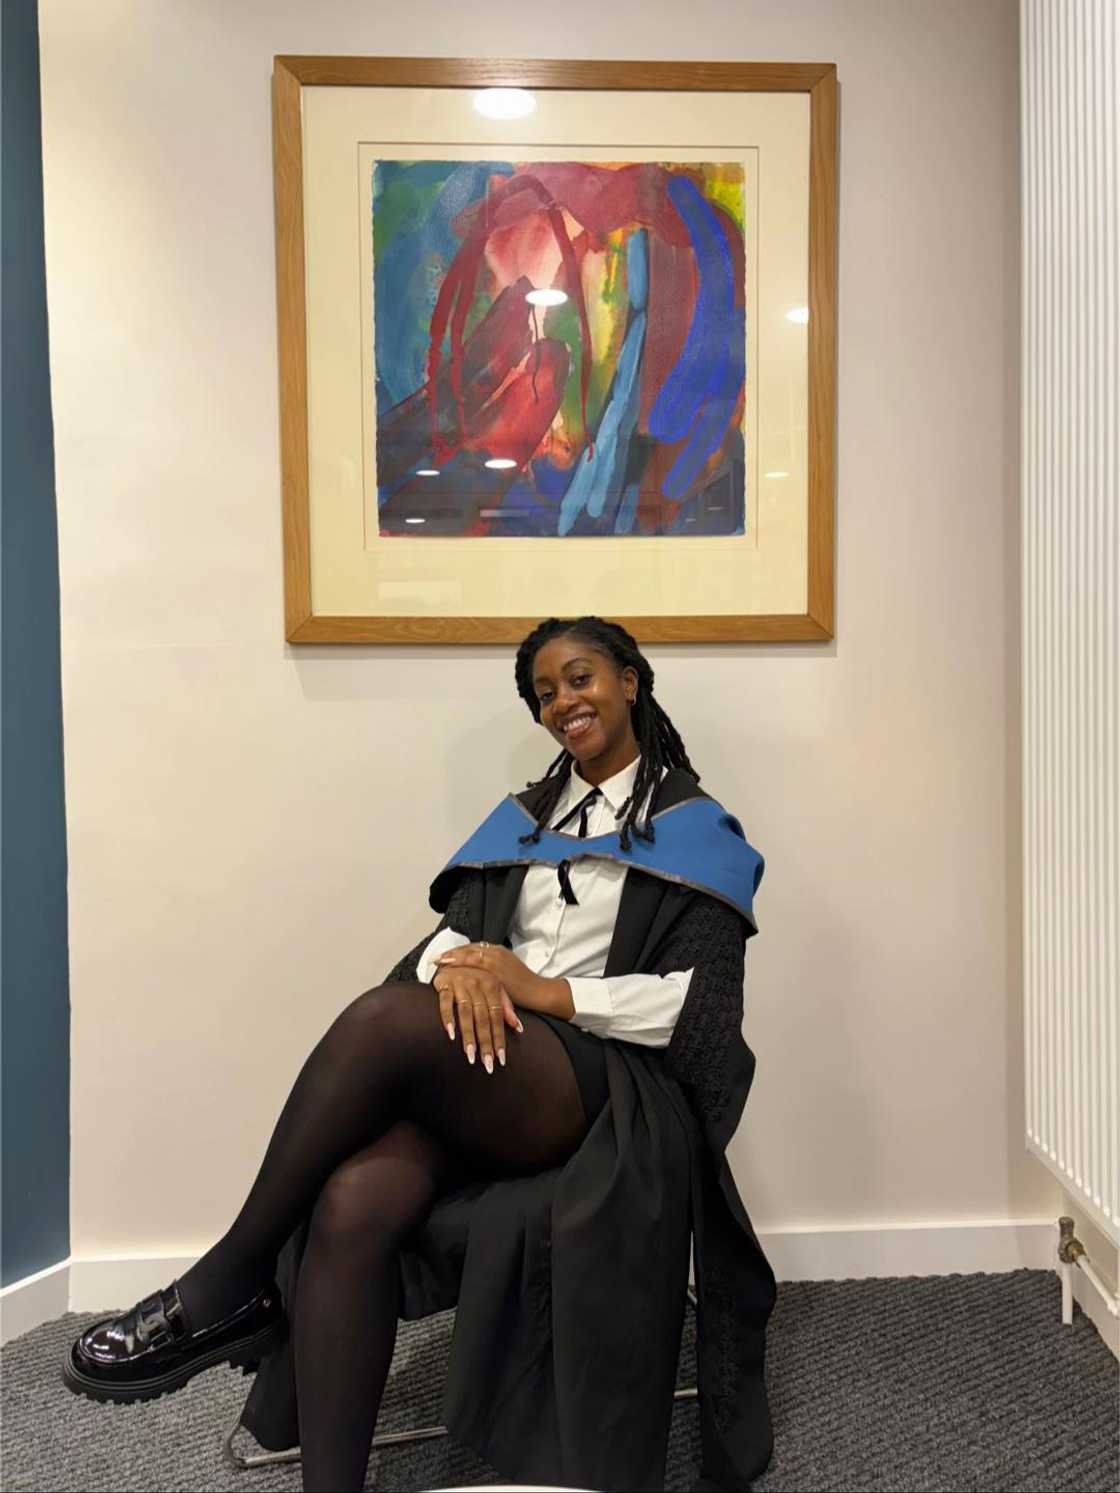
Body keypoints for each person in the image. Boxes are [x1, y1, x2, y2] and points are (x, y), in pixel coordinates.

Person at [63, 615, 776, 1492]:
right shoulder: (525, 818)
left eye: (581, 678)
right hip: (506, 1071)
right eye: (546, 692)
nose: (563, 702)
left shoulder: (695, 828)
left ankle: (231, 1280)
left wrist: (545, 989)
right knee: (356, 1196)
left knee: (382, 1021)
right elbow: (443, 945)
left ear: (630, 682)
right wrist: (472, 969)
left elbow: (693, 1007)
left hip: (614, 1088)